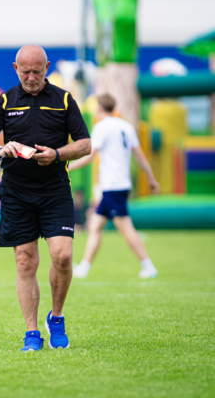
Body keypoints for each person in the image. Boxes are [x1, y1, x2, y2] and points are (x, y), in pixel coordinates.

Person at [0, 45, 91, 351]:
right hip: (16, 192)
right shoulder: (5, 101)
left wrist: (57, 154)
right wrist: (0, 149)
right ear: (15, 68)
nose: (31, 77)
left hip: (55, 190)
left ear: (47, 67)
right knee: (25, 262)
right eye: (25, 72)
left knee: (62, 257)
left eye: (37, 72)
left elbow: (85, 144)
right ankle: (31, 332)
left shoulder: (64, 99)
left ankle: (57, 317)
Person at [69, 93, 160, 279]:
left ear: (99, 108)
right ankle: (84, 267)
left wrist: (67, 167)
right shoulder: (126, 126)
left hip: (112, 185)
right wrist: (151, 179)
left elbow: (89, 156)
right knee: (95, 225)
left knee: (125, 228)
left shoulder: (101, 127)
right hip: (120, 184)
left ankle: (148, 266)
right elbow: (140, 156)